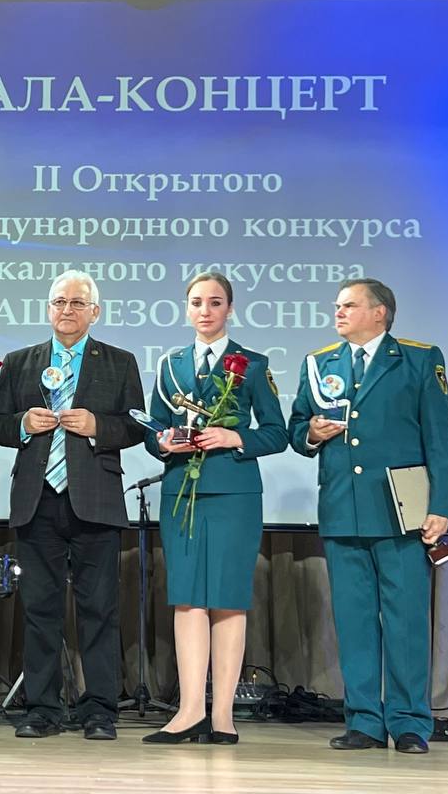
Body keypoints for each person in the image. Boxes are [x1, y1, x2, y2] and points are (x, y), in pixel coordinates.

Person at [288, 278, 448, 755]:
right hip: (343, 509)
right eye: (337, 306)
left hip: (400, 510)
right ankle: (363, 720)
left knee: (405, 621)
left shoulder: (419, 359)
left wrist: (443, 506)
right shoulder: (319, 363)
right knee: (355, 622)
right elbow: (297, 428)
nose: (338, 312)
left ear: (380, 312)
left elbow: (440, 437)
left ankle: (409, 722)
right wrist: (312, 432)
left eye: (349, 305)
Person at [0, 270, 145, 741]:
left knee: (99, 609)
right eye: (59, 302)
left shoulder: (119, 362)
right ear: (48, 308)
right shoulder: (20, 362)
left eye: (78, 303)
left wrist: (98, 425)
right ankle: (42, 709)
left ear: (95, 312)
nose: (67, 310)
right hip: (37, 499)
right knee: (40, 610)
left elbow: (136, 426)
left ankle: (99, 711)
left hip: (95, 499)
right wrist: (23, 423)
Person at [142, 272, 288, 744]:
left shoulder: (253, 364)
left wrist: (233, 436)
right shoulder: (169, 365)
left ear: (230, 309)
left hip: (233, 494)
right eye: (197, 302)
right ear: (186, 308)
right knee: (187, 598)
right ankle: (189, 711)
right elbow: (153, 429)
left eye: (215, 302)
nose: (205, 310)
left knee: (227, 598)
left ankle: (222, 714)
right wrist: (163, 442)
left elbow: (278, 433)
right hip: (181, 491)